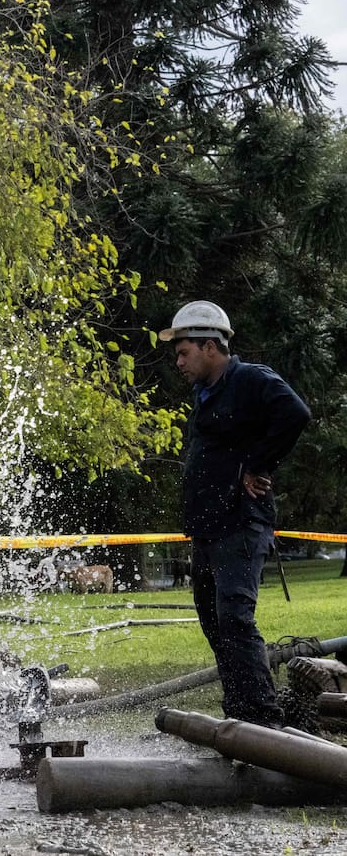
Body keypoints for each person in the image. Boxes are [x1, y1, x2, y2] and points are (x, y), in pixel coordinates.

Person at [160, 300, 311, 728]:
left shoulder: (250, 378)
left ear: (210, 346)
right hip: (208, 527)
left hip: (240, 523)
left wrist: (257, 464)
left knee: (235, 618)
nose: (179, 362)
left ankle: (263, 721)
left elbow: (296, 414)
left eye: (184, 352)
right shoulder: (206, 392)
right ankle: (239, 713)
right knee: (214, 622)